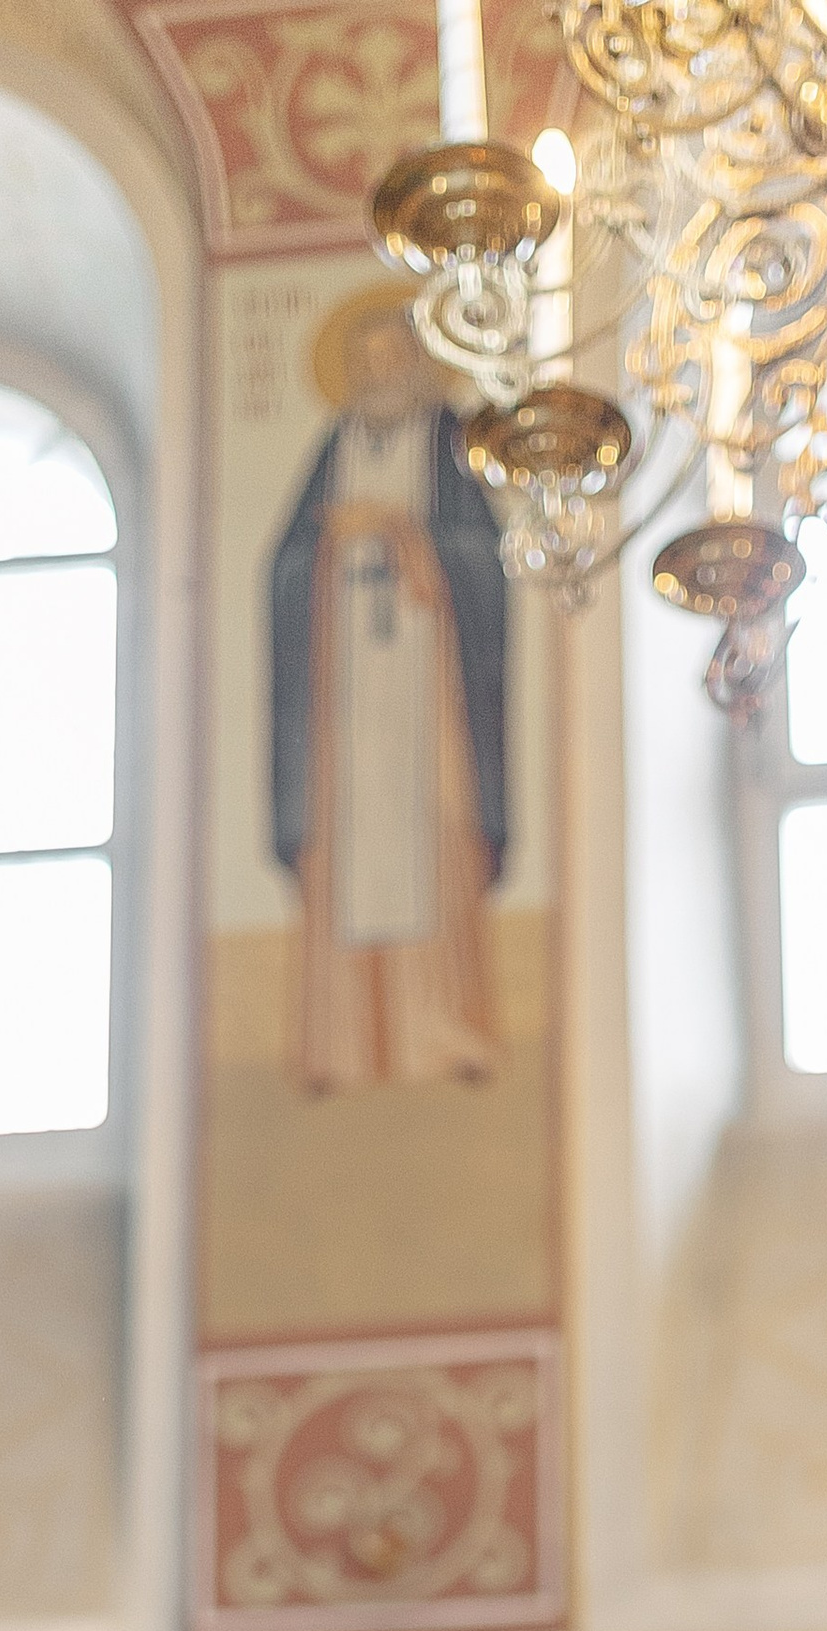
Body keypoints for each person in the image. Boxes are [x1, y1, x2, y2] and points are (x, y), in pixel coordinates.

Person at [268, 286, 507, 1092]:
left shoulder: (448, 444)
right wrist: (327, 545)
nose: (379, 374)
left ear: (418, 365)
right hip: (347, 679)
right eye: (364, 362)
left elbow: (484, 556)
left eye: (393, 359)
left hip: (426, 680)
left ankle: (445, 1033)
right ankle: (340, 1047)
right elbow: (286, 562)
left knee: (431, 836)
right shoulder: (333, 447)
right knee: (350, 847)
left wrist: (407, 535)